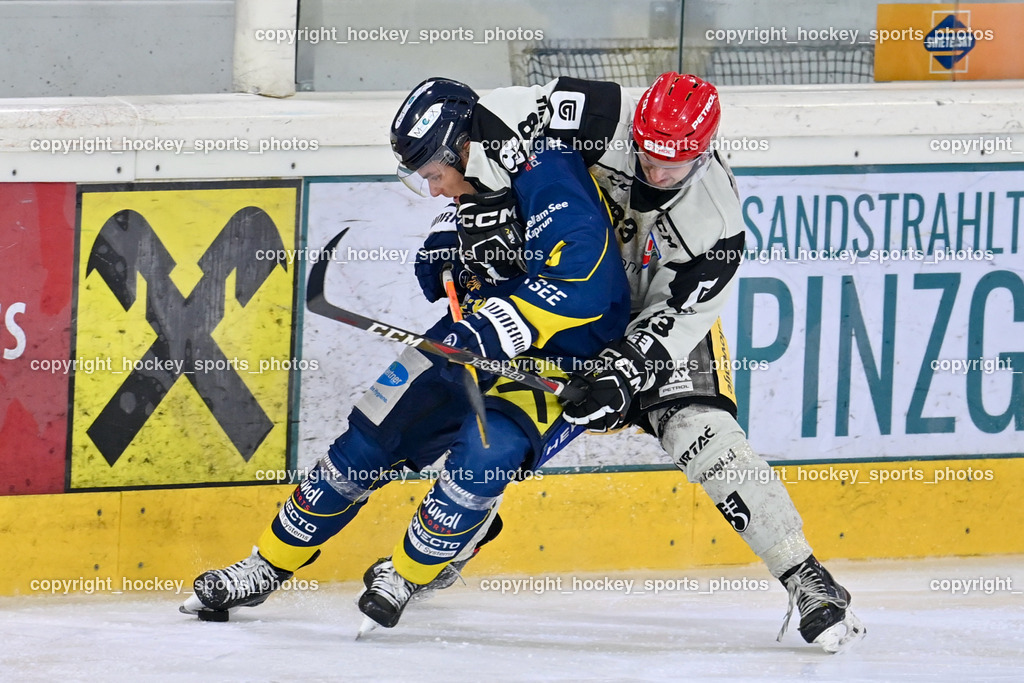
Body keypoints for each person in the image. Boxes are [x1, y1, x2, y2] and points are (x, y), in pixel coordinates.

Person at [180, 77, 631, 630]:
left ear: (461, 148)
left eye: (435, 176)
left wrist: (502, 323)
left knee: (484, 457)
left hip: (565, 357)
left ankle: (409, 572)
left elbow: (586, 279)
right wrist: (450, 246)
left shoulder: (545, 167)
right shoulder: (480, 155)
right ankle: (265, 566)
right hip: (478, 329)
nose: (435, 189)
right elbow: (477, 209)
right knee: (371, 434)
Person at [444, 72, 866, 654]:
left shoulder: (718, 225)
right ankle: (453, 541)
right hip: (571, 295)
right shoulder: (601, 111)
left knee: (707, 438)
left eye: (674, 164)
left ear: (706, 150)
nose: (655, 172)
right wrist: (483, 204)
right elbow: (497, 109)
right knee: (505, 427)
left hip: (656, 321)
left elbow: (681, 318)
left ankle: (807, 578)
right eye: (647, 153)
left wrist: (625, 367)